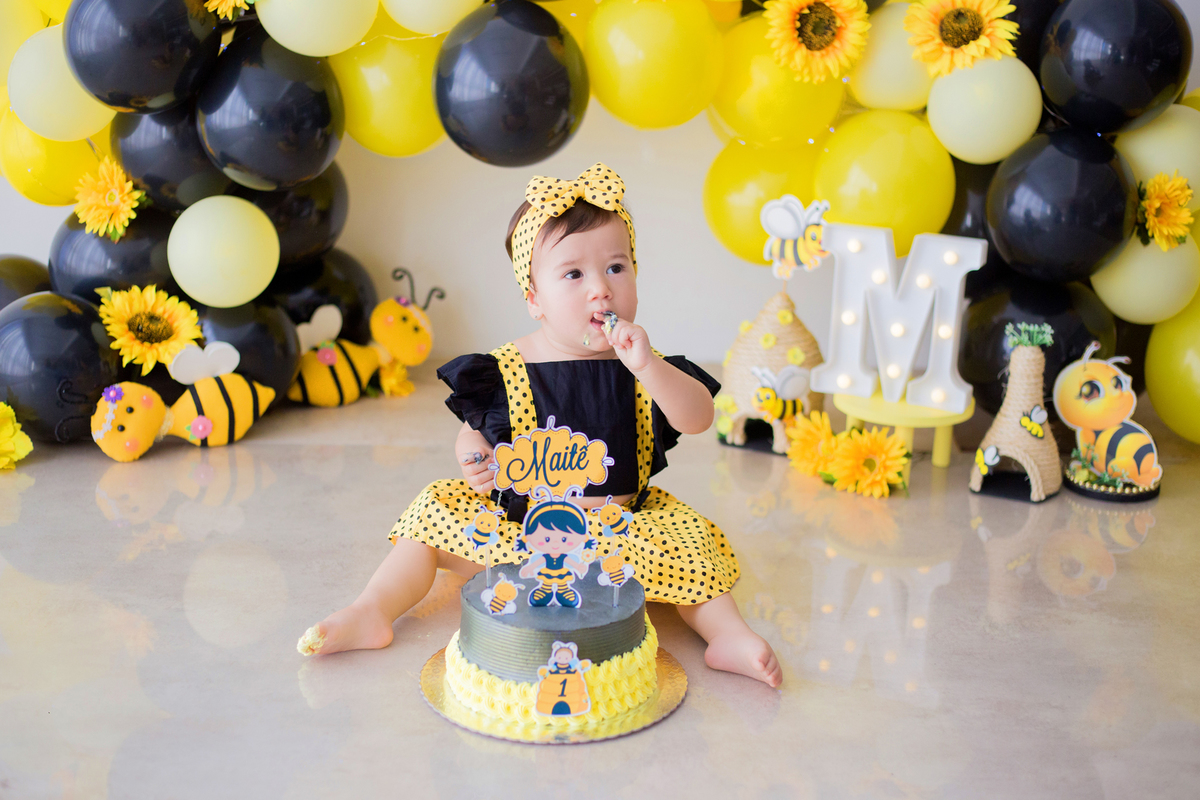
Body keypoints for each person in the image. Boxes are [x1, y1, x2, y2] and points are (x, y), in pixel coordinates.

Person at [297, 163, 782, 687]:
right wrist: (473, 454)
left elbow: (697, 417)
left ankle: (726, 635)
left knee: (694, 549)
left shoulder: (646, 364)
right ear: (534, 299)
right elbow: (478, 430)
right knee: (428, 520)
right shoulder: (507, 367)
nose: (601, 289)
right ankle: (373, 610)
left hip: (620, 536)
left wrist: (648, 368)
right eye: (573, 275)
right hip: (522, 532)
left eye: (616, 267)